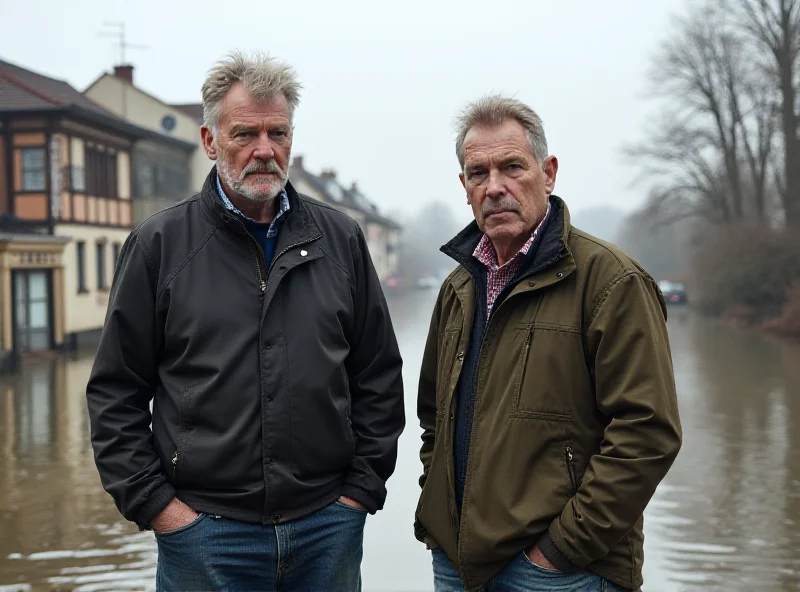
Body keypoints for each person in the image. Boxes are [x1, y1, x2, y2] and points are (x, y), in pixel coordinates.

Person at [86, 51, 405, 592]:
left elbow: (378, 376)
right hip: (204, 533)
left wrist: (359, 493)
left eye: (277, 133)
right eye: (245, 134)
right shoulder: (158, 245)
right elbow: (115, 392)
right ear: (211, 142)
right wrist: (160, 509)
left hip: (327, 526)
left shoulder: (342, 239)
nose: (264, 150)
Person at [414, 95, 682, 592]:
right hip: (457, 566)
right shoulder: (457, 288)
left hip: (562, 572)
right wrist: (440, 516)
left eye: (512, 167)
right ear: (464, 187)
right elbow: (433, 416)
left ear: (548, 172)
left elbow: (648, 433)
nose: (495, 187)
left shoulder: (611, 281)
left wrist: (558, 552)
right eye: (478, 173)